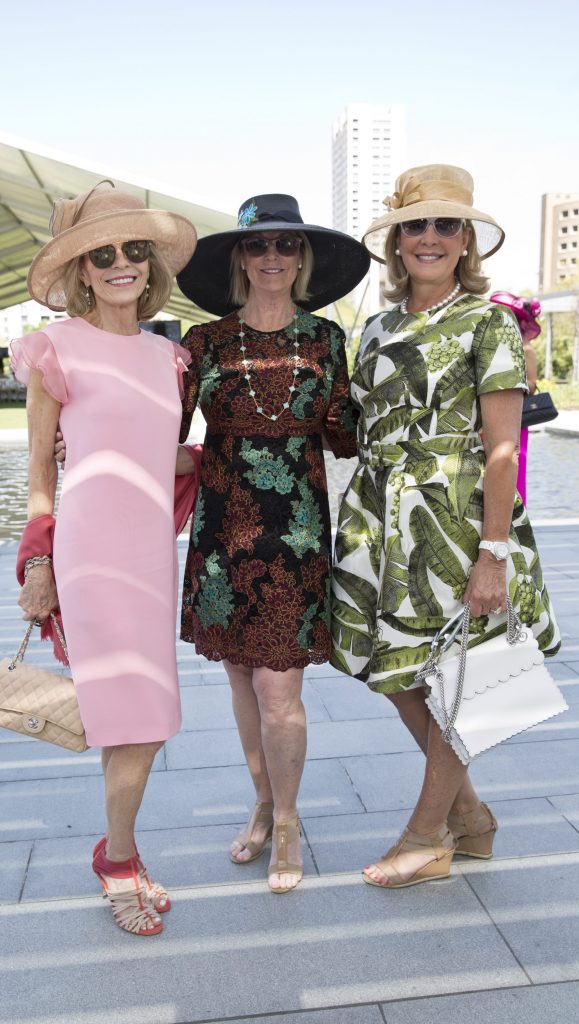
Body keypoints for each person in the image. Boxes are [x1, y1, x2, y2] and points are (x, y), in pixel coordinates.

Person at [330, 165, 560, 888]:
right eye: (414, 226)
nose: (428, 238)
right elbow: (352, 425)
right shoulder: (374, 326)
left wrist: (492, 553)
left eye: (444, 225)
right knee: (400, 674)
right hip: (377, 520)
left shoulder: (486, 319)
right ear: (396, 243)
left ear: (466, 241)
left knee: (462, 676)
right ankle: (471, 817)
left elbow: (500, 448)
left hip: (456, 522)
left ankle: (426, 833)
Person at [11, 181, 198, 935]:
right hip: (89, 556)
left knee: (131, 718)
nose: (120, 263)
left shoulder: (169, 356)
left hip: (152, 554)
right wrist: (37, 564)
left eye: (133, 251)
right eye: (102, 254)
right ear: (82, 271)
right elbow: (38, 474)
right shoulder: (53, 349)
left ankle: (117, 849)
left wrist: (222, 456)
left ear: (149, 266)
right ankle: (118, 861)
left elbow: (161, 455)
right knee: (140, 718)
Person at [176, 195, 370, 892]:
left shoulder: (328, 340)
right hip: (223, 533)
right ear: (239, 259)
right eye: (257, 248)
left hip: (295, 534)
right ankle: (261, 801)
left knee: (278, 689)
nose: (271, 258)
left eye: (286, 246)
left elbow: (348, 434)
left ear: (302, 259)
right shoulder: (203, 343)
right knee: (240, 680)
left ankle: (286, 819)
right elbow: (164, 434)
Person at [491, 292, 541, 504]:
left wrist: (510, 381)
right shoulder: (491, 346)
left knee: (514, 464)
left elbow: (532, 385)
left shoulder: (525, 349)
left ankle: (515, 515)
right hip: (491, 413)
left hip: (515, 416)